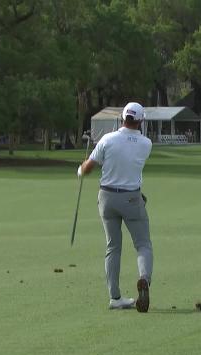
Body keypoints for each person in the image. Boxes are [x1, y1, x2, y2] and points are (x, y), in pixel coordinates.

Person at [78, 102, 153, 313]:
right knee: (143, 244)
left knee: (113, 246)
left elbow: (88, 168)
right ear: (141, 121)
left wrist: (80, 169)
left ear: (121, 118)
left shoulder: (107, 139)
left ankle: (115, 297)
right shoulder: (146, 144)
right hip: (131, 199)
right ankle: (144, 280)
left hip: (107, 198)